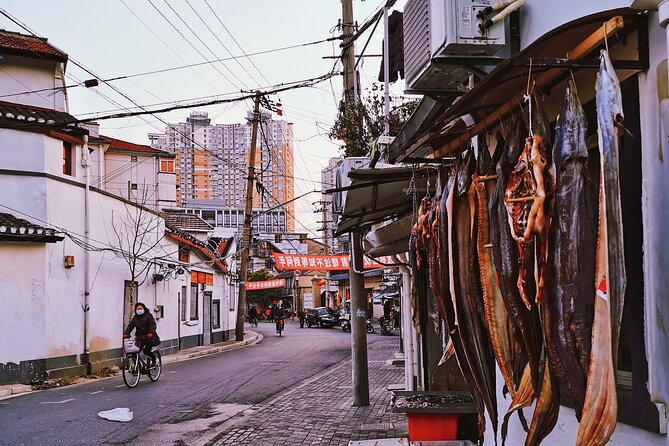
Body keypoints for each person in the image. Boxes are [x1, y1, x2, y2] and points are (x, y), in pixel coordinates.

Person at [123, 302, 159, 367]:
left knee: (146, 351)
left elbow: (152, 325)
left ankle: (153, 359)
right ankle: (138, 367)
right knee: (134, 351)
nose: (139, 310)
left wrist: (151, 332)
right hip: (140, 338)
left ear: (144, 309)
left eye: (140, 308)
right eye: (137, 309)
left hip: (149, 337)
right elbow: (130, 326)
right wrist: (126, 334)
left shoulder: (148, 316)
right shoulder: (135, 317)